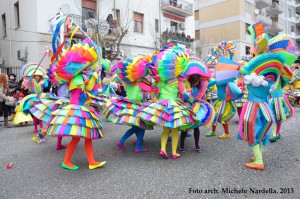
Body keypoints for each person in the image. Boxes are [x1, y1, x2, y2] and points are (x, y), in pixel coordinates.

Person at [138, 45, 198, 159]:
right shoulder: (177, 82)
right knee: (174, 130)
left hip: (162, 105)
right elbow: (184, 94)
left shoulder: (161, 82)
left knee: (166, 130)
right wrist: (191, 98)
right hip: (174, 106)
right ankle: (174, 153)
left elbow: (155, 92)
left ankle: (162, 149)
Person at [104, 55, 153, 153]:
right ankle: (136, 146)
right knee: (140, 127)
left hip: (130, 105)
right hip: (138, 106)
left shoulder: (129, 83)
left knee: (136, 126)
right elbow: (149, 91)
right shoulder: (141, 83)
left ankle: (128, 142)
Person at [179, 58, 214, 152]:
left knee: (196, 126)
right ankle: (181, 144)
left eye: (197, 82)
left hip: (197, 107)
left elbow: (209, 84)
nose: (196, 83)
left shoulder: (202, 85)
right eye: (194, 82)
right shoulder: (186, 84)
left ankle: (197, 144)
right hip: (186, 106)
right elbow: (183, 95)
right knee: (185, 126)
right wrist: (188, 96)